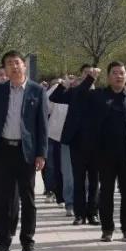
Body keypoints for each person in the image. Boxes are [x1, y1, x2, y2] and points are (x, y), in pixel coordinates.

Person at [0, 50, 48, 251]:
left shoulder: (37, 91)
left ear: (24, 65)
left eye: (17, 62)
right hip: (1, 151)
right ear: (4, 68)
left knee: (28, 199)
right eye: (9, 63)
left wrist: (41, 153)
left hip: (25, 152)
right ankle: (3, 243)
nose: (14, 66)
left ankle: (28, 243)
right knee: (1, 199)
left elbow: (42, 125)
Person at [71, 62, 126, 243]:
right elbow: (78, 96)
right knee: (106, 193)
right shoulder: (98, 95)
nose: (119, 76)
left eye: (122, 73)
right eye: (114, 73)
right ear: (108, 76)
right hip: (104, 154)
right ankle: (107, 229)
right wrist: (90, 78)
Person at [49, 64, 100, 226]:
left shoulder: (99, 93)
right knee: (78, 179)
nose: (89, 75)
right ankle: (79, 214)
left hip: (96, 144)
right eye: (86, 73)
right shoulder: (75, 92)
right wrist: (64, 84)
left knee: (94, 181)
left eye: (91, 73)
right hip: (76, 142)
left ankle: (93, 213)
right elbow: (54, 97)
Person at [44, 78, 74, 217]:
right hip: (55, 135)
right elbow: (46, 105)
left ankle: (67, 198)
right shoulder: (58, 89)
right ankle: (55, 193)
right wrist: (59, 86)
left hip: (72, 137)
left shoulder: (82, 90)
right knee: (54, 166)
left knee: (67, 170)